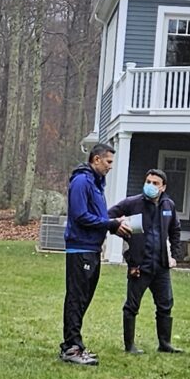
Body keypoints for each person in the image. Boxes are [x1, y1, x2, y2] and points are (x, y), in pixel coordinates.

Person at [109, 167, 185, 354]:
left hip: (161, 266)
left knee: (165, 304)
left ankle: (165, 344)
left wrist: (174, 255)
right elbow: (108, 217)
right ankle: (130, 346)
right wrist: (118, 228)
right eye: (148, 182)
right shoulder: (133, 203)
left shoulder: (169, 206)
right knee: (132, 306)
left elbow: (175, 231)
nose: (150, 186)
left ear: (163, 187)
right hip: (139, 265)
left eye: (155, 183)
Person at [60, 140, 117, 365]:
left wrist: (111, 223)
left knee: (84, 298)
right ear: (96, 159)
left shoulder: (96, 183)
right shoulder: (82, 181)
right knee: (76, 298)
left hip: (92, 249)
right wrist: (110, 224)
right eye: (108, 161)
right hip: (80, 249)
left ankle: (73, 344)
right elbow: (80, 215)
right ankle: (72, 349)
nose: (111, 166)